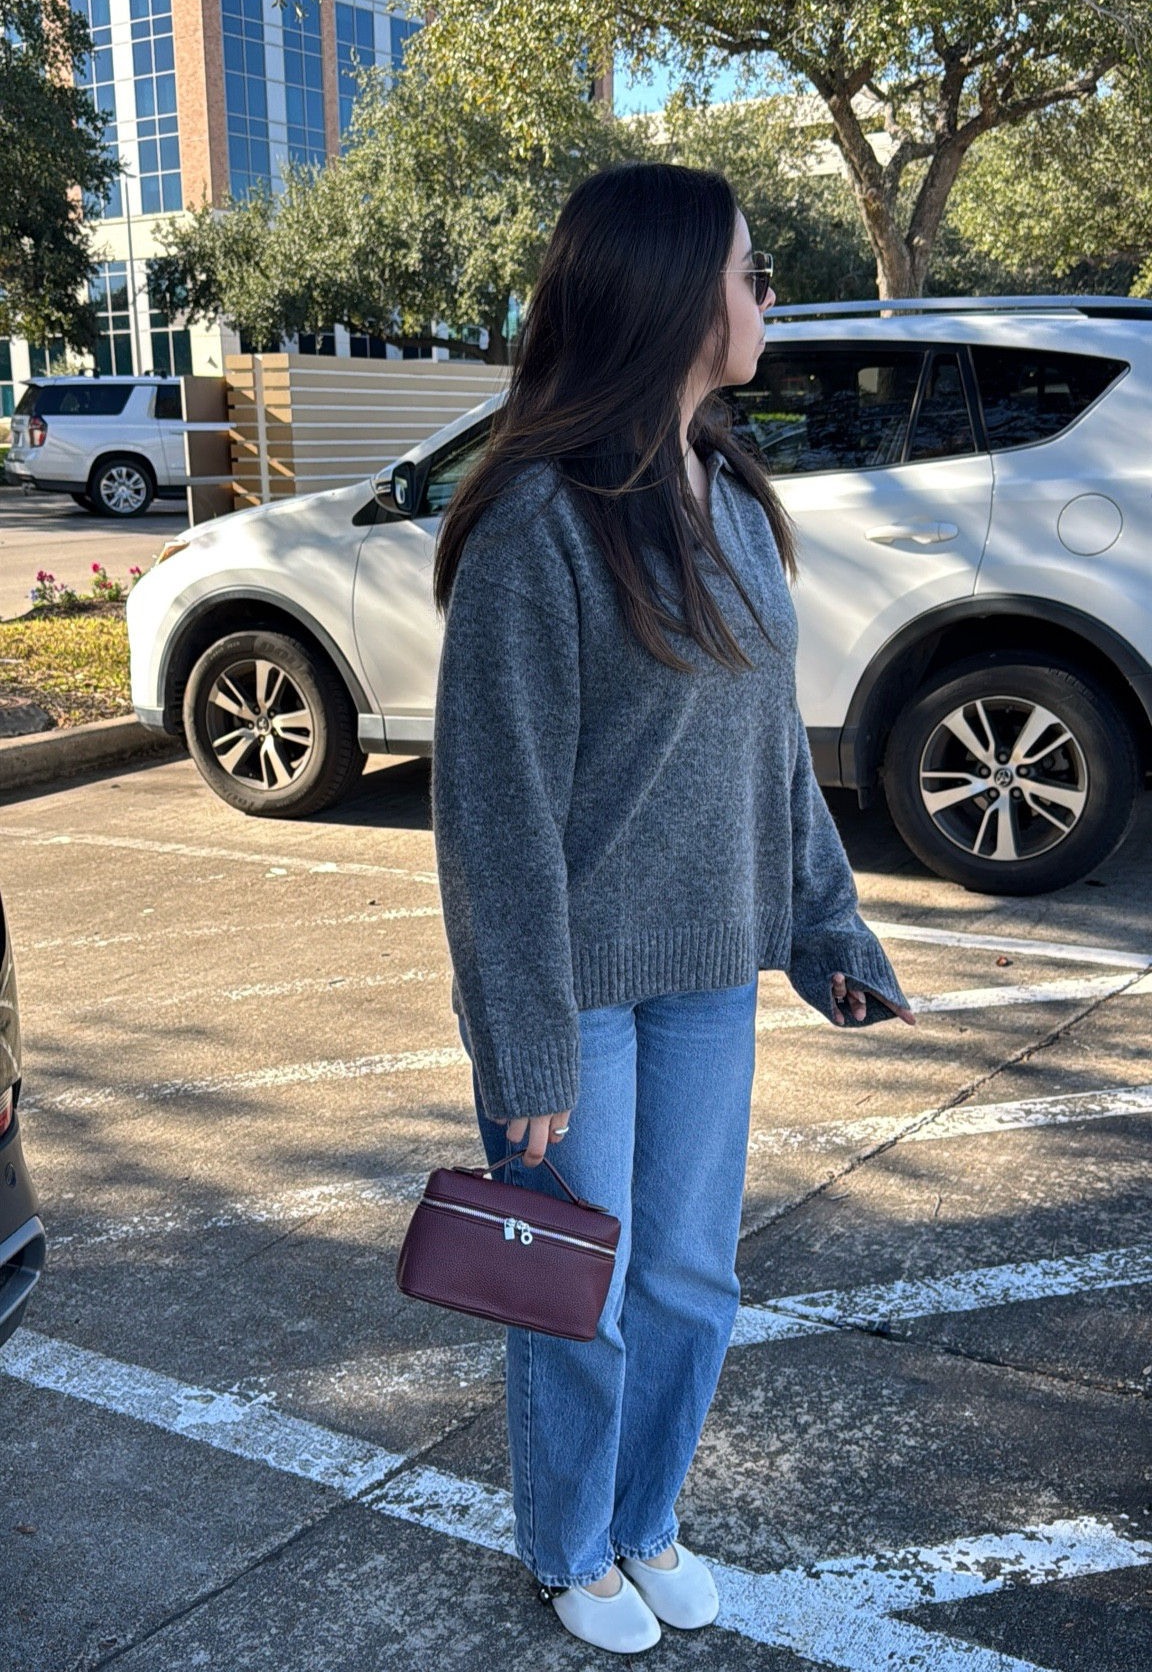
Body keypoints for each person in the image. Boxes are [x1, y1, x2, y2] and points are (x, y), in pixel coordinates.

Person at [431, 162, 915, 1655]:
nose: (769, 295)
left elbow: (769, 754)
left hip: (709, 974)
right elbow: (495, 817)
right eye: (752, 271)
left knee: (692, 1281)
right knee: (582, 1291)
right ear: (669, 295)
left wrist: (826, 926)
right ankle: (572, 1547)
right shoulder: (538, 522)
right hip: (573, 989)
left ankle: (648, 1519)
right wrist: (523, 1045)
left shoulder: (737, 498)